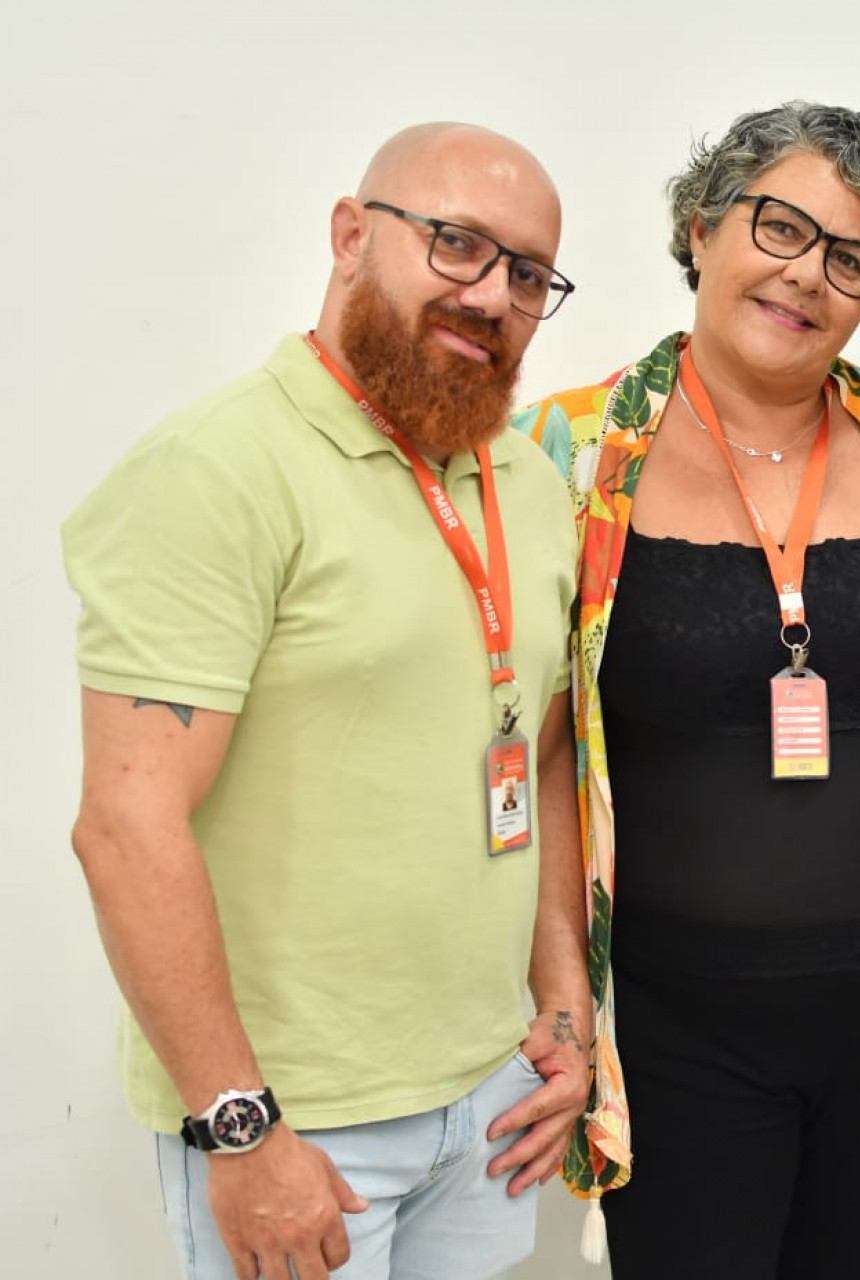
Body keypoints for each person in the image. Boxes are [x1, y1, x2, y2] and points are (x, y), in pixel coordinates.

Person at [62, 123, 591, 1280]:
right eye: (456, 243)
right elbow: (124, 826)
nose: (491, 294)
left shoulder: (530, 480)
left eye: (527, 273)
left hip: (491, 1092)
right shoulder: (217, 470)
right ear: (351, 234)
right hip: (300, 1119)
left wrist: (561, 998)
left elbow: (542, 749)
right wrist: (240, 1124)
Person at [513, 101, 860, 1279]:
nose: (806, 276)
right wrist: (564, 996)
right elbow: (539, 756)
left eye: (851, 258)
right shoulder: (566, 455)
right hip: (679, 1029)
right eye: (780, 227)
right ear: (702, 224)